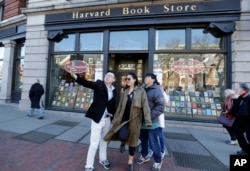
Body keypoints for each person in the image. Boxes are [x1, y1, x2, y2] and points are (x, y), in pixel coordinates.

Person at [68, 68, 117, 171]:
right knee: (94, 143)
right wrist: (75, 76)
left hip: (108, 120)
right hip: (97, 119)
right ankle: (89, 165)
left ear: (114, 79)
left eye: (110, 76)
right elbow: (86, 83)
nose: (107, 76)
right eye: (106, 75)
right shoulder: (99, 84)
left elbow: (113, 105)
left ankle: (103, 159)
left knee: (104, 141)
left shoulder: (114, 90)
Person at [104, 72, 152, 171]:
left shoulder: (141, 91)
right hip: (124, 119)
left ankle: (130, 162)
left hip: (135, 120)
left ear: (134, 80)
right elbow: (120, 106)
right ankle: (123, 142)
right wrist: (116, 118)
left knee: (133, 142)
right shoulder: (125, 92)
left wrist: (148, 121)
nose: (127, 81)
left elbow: (146, 107)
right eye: (126, 79)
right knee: (122, 136)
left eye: (129, 79)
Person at [137, 73, 164, 171]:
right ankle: (144, 156)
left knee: (153, 142)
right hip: (141, 121)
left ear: (153, 80)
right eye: (145, 77)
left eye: (148, 77)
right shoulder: (142, 89)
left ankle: (158, 161)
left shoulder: (156, 90)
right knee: (143, 141)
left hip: (152, 122)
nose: (145, 79)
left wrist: (148, 116)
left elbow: (160, 107)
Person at [233, 83, 250, 155]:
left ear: (243, 90)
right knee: (237, 131)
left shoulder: (248, 98)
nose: (236, 90)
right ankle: (245, 149)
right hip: (241, 120)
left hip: (248, 121)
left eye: (238, 88)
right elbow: (237, 108)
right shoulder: (240, 97)